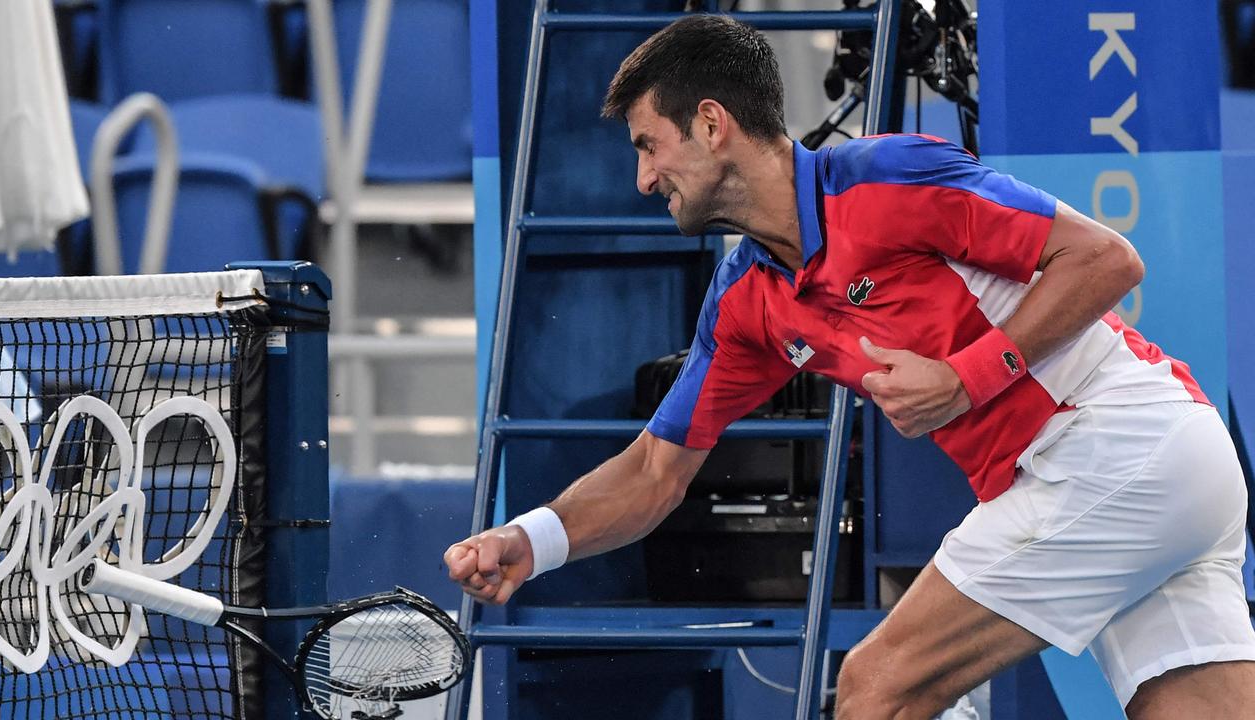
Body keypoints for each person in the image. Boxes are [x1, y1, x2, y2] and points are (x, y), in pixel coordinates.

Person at [445, 14, 1255, 718]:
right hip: (1170, 474)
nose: (644, 177)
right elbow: (656, 472)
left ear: (713, 123)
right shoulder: (744, 301)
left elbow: (1107, 259)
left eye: (650, 146)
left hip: (1111, 446)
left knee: (876, 688)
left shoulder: (890, 179)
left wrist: (965, 378)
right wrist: (534, 539)